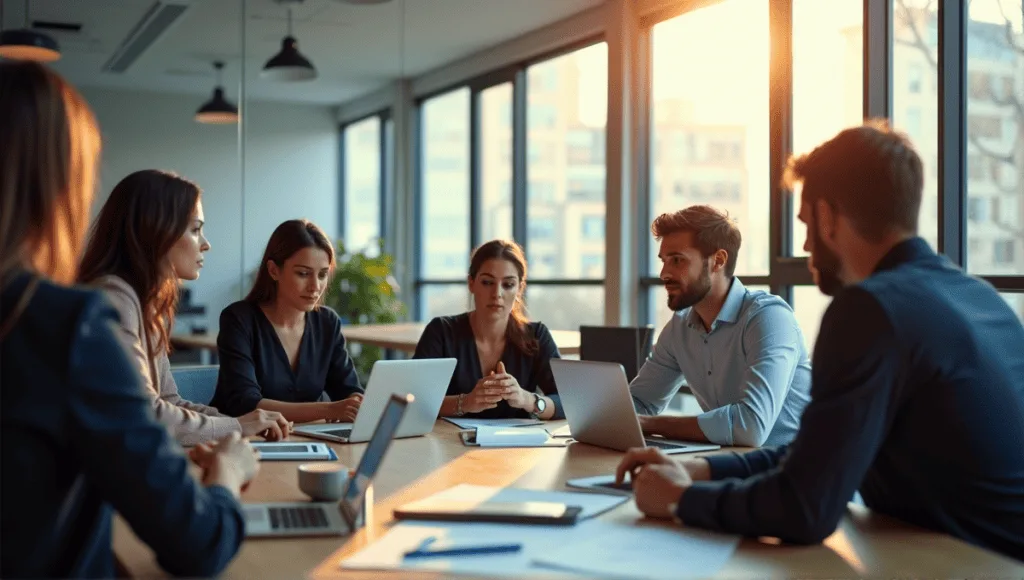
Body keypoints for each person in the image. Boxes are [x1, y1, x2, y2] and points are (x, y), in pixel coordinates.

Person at [615, 121, 1024, 562]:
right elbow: (816, 452)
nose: (807, 244)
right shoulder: (982, 298)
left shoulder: (870, 310)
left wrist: (679, 501)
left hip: (963, 566)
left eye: (807, 224)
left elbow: (805, 509)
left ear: (828, 216)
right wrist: (700, 468)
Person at [0, 61, 257, 578]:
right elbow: (199, 542)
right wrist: (228, 473)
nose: (206, 244)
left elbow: (153, 406)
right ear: (61, 183)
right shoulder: (69, 323)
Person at [78, 169, 291, 446]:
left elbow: (168, 401)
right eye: (195, 229)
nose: (206, 244)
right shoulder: (113, 300)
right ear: (156, 231)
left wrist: (246, 422)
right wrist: (236, 426)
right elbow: (147, 414)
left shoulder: (145, 305)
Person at [629, 205, 812, 447]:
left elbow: (750, 427)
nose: (664, 273)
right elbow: (640, 403)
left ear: (718, 261)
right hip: (728, 463)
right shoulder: (680, 327)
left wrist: (651, 424)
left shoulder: (768, 318)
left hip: (790, 471)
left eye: (677, 260)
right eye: (664, 261)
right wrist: (605, 415)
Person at [212, 219, 364, 422]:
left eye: (322, 275)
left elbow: (348, 390)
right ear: (274, 270)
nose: (315, 286)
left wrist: (356, 403)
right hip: (244, 441)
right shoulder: (239, 320)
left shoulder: (327, 322)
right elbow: (245, 403)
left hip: (308, 440)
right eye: (303, 274)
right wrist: (328, 410)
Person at [413, 239, 562, 420]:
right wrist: (465, 402)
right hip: (448, 445)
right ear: (471, 283)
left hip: (519, 447)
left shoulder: (536, 335)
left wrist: (527, 399)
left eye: (508, 285)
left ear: (520, 288)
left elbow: (567, 403)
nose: (497, 294)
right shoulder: (442, 332)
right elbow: (414, 401)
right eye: (487, 282)